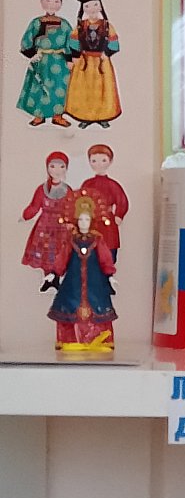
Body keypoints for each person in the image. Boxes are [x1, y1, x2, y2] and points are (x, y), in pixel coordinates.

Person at [49, 193, 117, 350]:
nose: (83, 223)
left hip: (95, 282)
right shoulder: (71, 239)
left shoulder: (97, 239)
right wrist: (54, 273)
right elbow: (63, 257)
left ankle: (95, 340)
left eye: (86, 219)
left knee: (96, 307)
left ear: (91, 220)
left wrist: (110, 275)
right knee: (71, 308)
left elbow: (105, 258)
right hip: (73, 282)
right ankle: (72, 340)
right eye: (80, 219)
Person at [18, 0, 73, 126]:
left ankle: (58, 115)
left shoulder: (64, 24)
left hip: (60, 62)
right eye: (48, 0)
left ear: (61, 3)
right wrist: (32, 54)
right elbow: (26, 40)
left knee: (60, 88)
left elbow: (72, 41)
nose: (52, 4)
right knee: (39, 87)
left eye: (56, 1)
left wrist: (70, 59)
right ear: (41, 1)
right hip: (41, 60)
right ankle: (39, 115)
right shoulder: (36, 22)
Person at [65, 0, 121, 128]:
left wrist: (107, 53)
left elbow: (114, 43)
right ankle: (85, 117)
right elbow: (73, 42)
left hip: (102, 63)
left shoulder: (107, 26)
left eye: (95, 5)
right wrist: (74, 57)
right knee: (85, 90)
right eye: (87, 6)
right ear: (83, 9)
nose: (92, 9)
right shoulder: (80, 26)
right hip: (84, 63)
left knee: (103, 90)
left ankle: (103, 116)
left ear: (100, 6)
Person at [22, 151, 73, 291]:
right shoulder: (42, 189)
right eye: (53, 166)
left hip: (61, 226)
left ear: (66, 169)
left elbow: (71, 208)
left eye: (61, 167)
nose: (57, 170)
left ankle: (56, 278)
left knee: (59, 251)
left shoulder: (67, 190)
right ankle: (47, 278)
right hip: (44, 225)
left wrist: (70, 222)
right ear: (47, 168)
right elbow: (34, 206)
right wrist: (25, 216)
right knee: (45, 252)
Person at [82, 144, 127, 260]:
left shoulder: (113, 185)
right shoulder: (88, 184)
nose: (99, 164)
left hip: (108, 222)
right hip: (90, 221)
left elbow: (122, 200)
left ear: (110, 161)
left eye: (103, 160)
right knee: (90, 250)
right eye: (94, 161)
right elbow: (81, 200)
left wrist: (119, 215)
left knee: (109, 248)